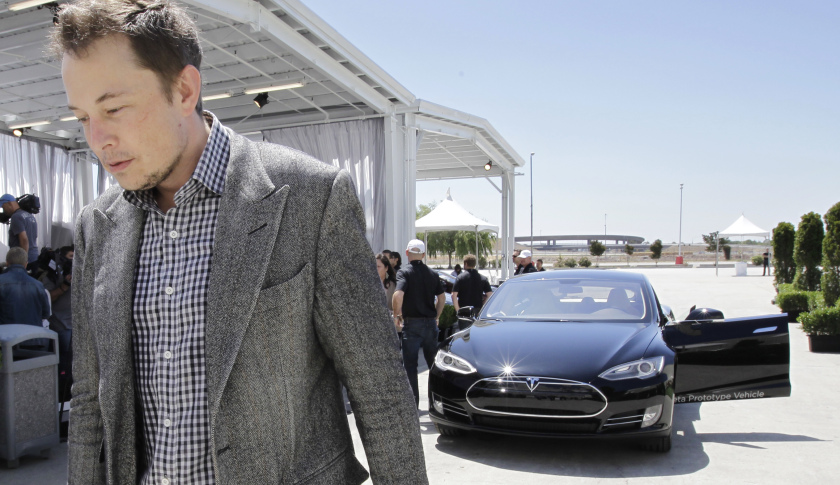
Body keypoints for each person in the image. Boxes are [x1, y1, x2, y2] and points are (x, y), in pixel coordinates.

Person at [52, 2, 426, 484]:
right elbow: (89, 400)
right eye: (82, 117)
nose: (97, 138)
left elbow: (379, 390)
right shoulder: (96, 224)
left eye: (114, 108)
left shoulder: (310, 198)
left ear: (184, 89)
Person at [392, 239, 445, 407]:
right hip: (430, 323)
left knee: (410, 367)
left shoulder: (404, 272)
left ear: (407, 253)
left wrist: (396, 316)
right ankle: (436, 403)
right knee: (434, 366)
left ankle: (413, 405)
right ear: (423, 255)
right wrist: (436, 315)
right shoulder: (432, 274)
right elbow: (442, 297)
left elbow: (397, 294)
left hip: (412, 323)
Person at [0, 247, 50, 328]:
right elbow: (45, 314)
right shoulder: (38, 285)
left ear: (7, 263)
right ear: (26, 264)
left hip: (6, 337)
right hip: (33, 337)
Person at [451, 254, 493, 330]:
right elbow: (490, 295)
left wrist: (458, 310)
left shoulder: (460, 278)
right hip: (477, 310)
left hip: (464, 310)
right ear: (474, 264)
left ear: (466, 264)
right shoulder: (483, 278)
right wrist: (482, 304)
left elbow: (454, 295)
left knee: (464, 336)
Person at [1, 193, 40, 270]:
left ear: (9, 203)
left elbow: (24, 240)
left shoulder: (16, 216)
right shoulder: (29, 215)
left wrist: (23, 262)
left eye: (3, 207)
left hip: (23, 260)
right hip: (34, 257)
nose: (4, 211)